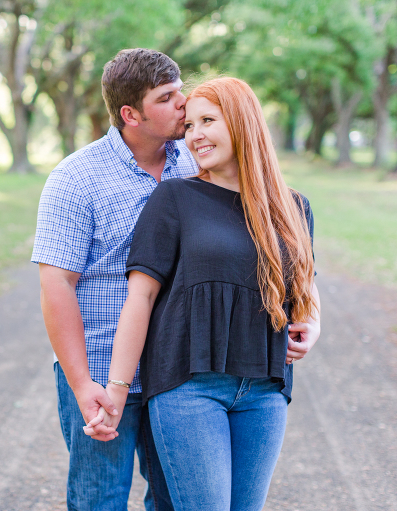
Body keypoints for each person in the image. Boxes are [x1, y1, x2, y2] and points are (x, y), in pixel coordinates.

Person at [85, 77, 322, 511]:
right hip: (189, 389)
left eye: (207, 121)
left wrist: (314, 323)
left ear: (242, 123)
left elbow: (304, 283)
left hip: (265, 391)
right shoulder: (174, 198)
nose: (194, 135)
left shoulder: (294, 207)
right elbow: (140, 298)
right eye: (189, 124)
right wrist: (116, 391)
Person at [31, 48, 198, 510]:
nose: (183, 102)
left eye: (179, 89)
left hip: (179, 372)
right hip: (102, 373)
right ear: (131, 114)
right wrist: (83, 384)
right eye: (166, 97)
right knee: (98, 499)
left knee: (175, 499)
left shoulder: (196, 163)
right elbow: (56, 285)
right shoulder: (76, 178)